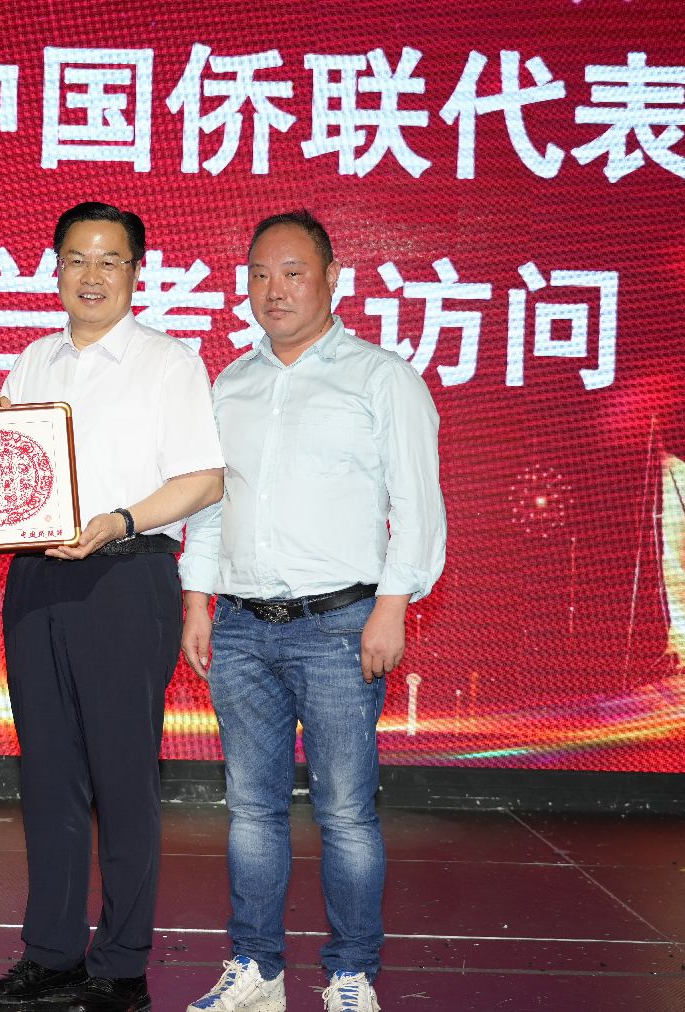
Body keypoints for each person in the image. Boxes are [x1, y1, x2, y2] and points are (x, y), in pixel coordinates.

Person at [178, 210, 446, 1012]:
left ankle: (351, 973)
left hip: (340, 626)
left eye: (293, 272)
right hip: (240, 627)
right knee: (250, 811)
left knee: (345, 812)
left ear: (332, 279)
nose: (275, 289)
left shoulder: (381, 377)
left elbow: (417, 505)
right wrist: (197, 599)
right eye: (260, 274)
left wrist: (392, 605)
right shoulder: (232, 383)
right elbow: (212, 507)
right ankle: (256, 969)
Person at [0, 202, 225, 1012]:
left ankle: (120, 965)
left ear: (135, 273)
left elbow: (204, 480)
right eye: (76, 259)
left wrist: (118, 520)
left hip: (125, 577)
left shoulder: (168, 363)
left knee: (122, 779)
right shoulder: (32, 362)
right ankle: (51, 954)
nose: (91, 275)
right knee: (48, 776)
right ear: (55, 270)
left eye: (109, 260)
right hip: (36, 580)